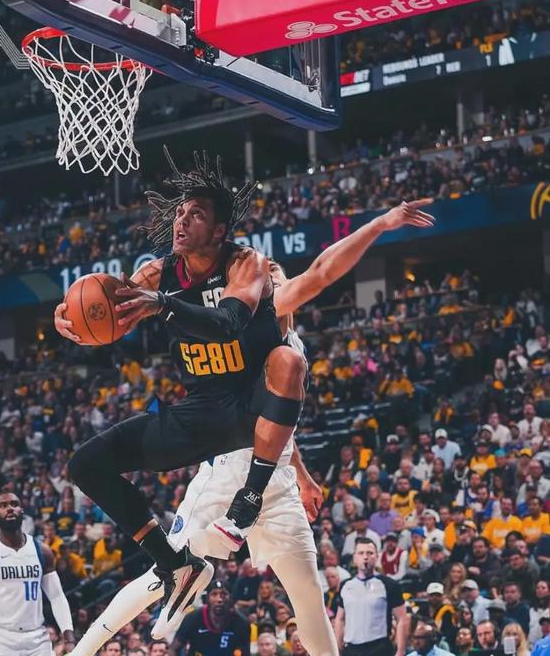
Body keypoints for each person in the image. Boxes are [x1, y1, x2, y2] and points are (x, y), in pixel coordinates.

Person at [66, 194, 434, 653]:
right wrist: (75, 318)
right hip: (225, 462)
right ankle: (85, 648)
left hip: (269, 471)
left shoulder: (274, 321)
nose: (269, 280)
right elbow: (122, 296)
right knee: (158, 576)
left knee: (309, 597)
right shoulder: (188, 280)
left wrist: (380, 223)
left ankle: (221, 532)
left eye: (272, 277)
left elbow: (321, 274)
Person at [0, 492, 76, 656]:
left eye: (14, 504)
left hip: (37, 636)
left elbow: (56, 596)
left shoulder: (42, 551)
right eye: (3, 506)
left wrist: (68, 634)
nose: (10, 508)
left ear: (22, 510)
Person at [334, 538, 410, 656]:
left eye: (370, 553)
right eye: (361, 553)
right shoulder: (345, 585)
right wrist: (337, 648)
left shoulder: (389, 585)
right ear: (355, 558)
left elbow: (402, 619)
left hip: (379, 648)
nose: (365, 557)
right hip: (351, 648)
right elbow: (340, 619)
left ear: (377, 557)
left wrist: (401, 650)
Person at [168, 580, 251, 655]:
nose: (219, 599)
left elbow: (246, 653)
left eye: (224, 594)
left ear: (230, 598)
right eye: (214, 594)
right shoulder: (192, 618)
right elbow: (173, 649)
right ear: (207, 598)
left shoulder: (242, 623)